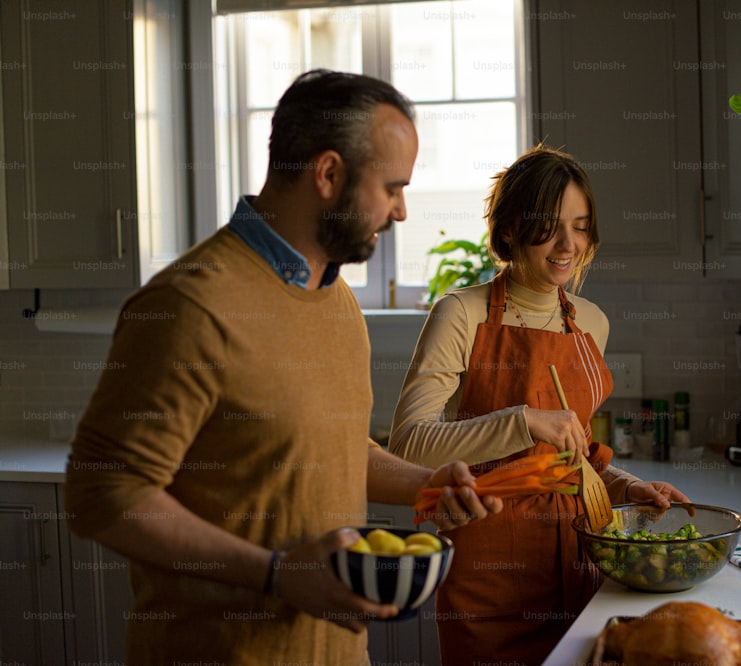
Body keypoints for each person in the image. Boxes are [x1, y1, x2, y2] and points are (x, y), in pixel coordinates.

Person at [63, 70, 502, 666]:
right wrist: (276, 575)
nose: (400, 210)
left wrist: (425, 485)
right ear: (327, 175)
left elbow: (334, 448)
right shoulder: (190, 305)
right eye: (393, 187)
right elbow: (104, 493)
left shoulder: (337, 299)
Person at [389, 145, 691, 665]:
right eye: (549, 225)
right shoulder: (461, 314)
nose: (566, 244)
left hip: (579, 564)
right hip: (489, 577)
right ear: (508, 229)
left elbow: (574, 459)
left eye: (580, 225)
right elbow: (410, 443)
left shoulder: (591, 323)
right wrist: (523, 421)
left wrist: (626, 485)